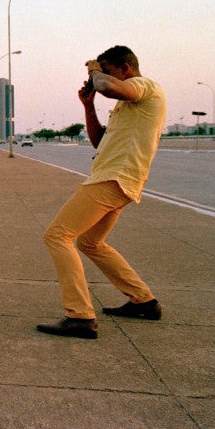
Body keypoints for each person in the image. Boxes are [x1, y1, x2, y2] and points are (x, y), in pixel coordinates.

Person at [37, 45, 167, 339]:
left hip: (113, 179)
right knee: (90, 242)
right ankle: (143, 301)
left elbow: (107, 86)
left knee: (57, 236)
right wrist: (88, 106)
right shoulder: (128, 105)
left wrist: (95, 69)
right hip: (118, 180)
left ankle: (80, 317)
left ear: (125, 69)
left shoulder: (144, 86)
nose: (99, 78)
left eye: (107, 70)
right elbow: (100, 142)